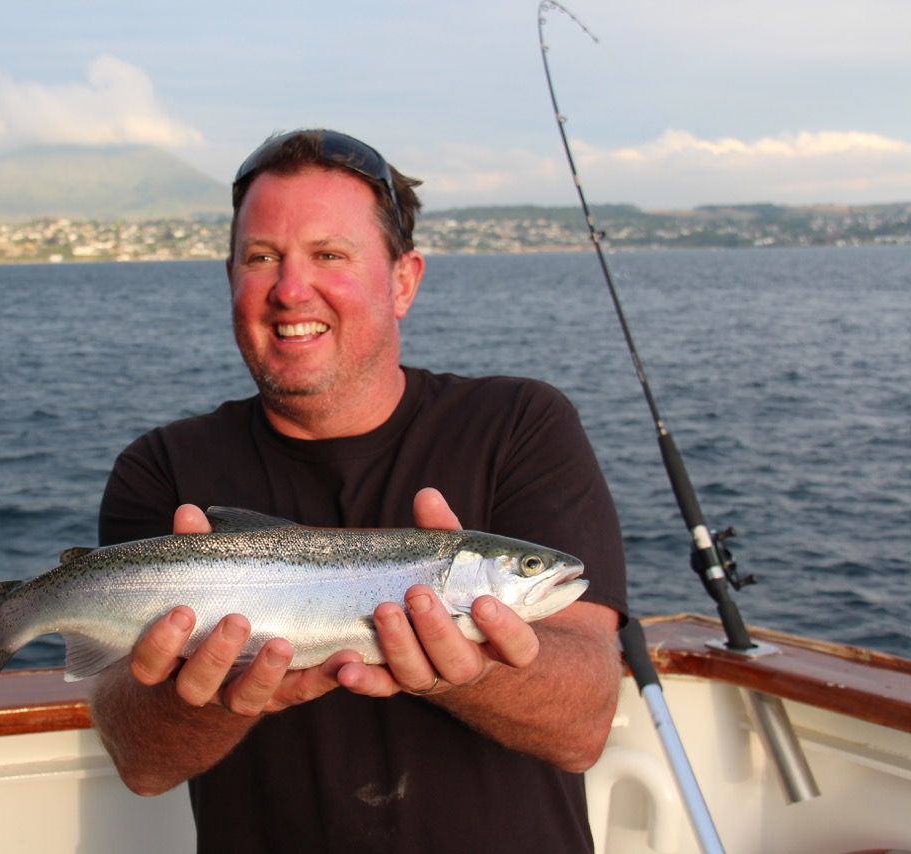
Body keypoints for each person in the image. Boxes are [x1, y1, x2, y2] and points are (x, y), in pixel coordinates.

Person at [91, 129, 628, 852]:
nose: (289, 289)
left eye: (330, 255)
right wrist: (219, 700)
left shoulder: (520, 425)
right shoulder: (161, 469)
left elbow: (585, 723)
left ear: (403, 281)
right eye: (261, 259)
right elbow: (141, 762)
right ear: (230, 278)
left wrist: (464, 673)